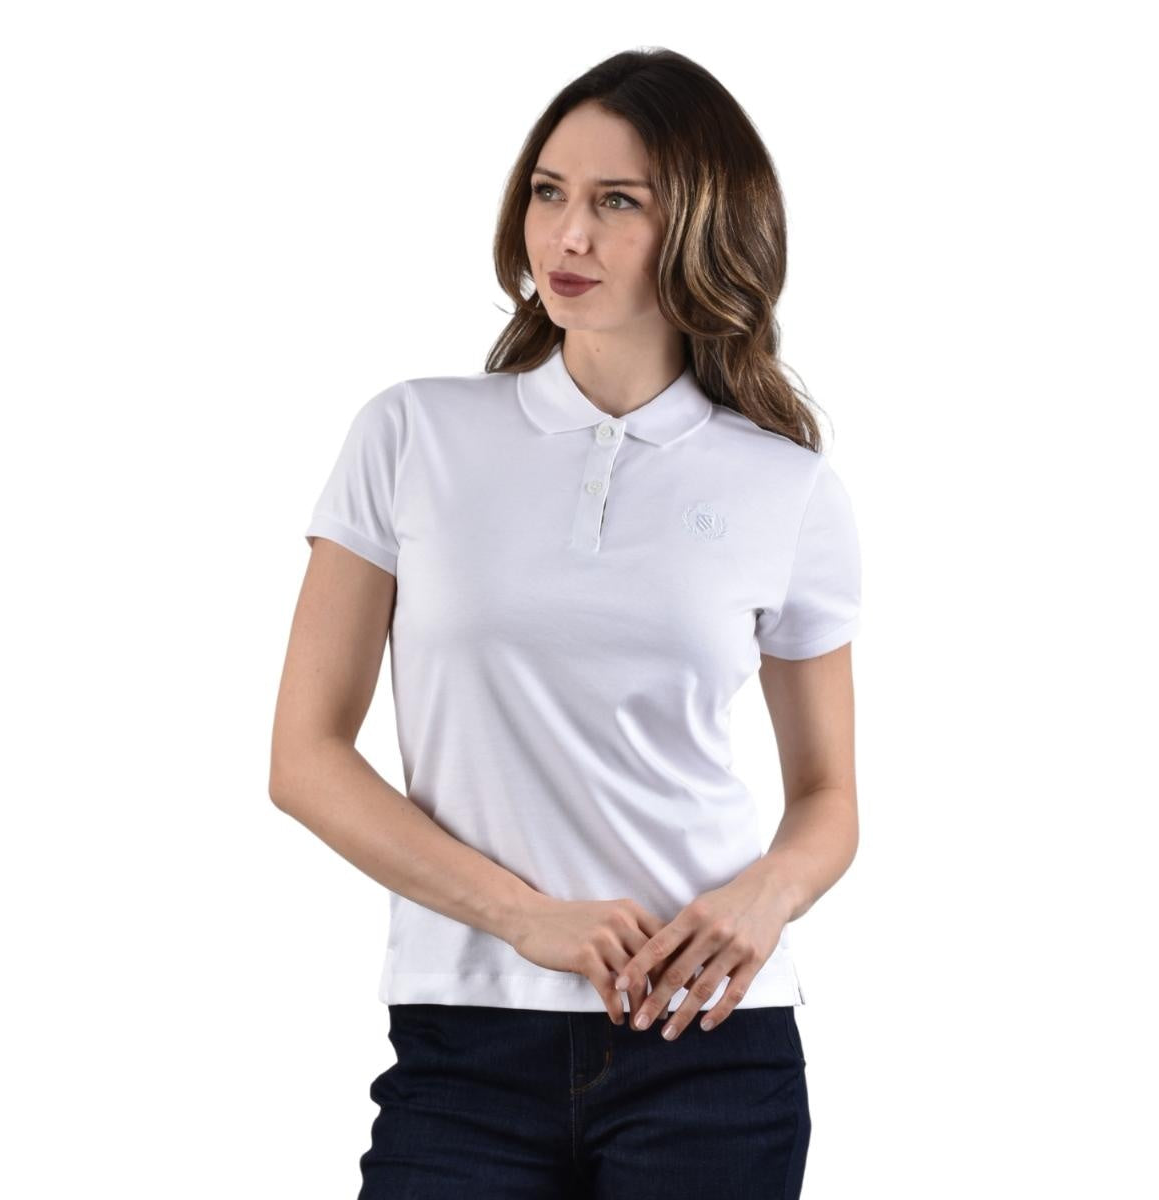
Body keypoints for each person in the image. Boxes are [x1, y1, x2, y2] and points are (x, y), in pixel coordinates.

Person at [270, 46, 862, 1200]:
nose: (568, 235)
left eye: (617, 202)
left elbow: (829, 796)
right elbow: (303, 758)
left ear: (703, 226)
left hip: (712, 1046)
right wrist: (525, 918)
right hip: (464, 1047)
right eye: (549, 192)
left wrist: (768, 895)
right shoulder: (411, 436)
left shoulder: (786, 488)